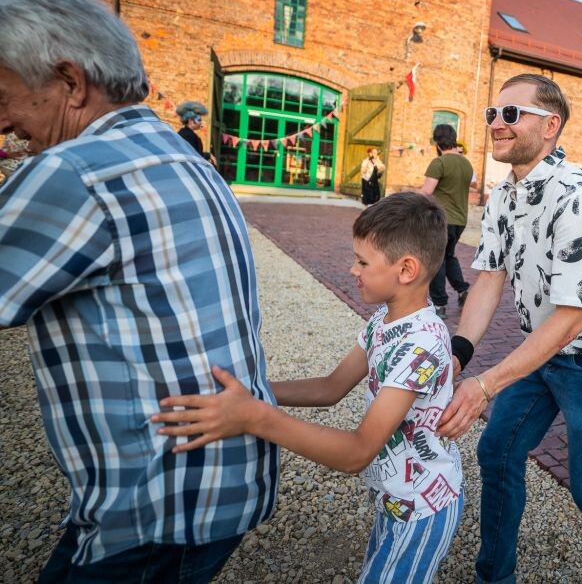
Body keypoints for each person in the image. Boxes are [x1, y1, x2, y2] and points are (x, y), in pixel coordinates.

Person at [0, 0, 278, 582]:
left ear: (71, 82)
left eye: (6, 96)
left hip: (155, 501)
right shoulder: (183, 155)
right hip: (225, 480)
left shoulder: (75, 170)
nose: (3, 122)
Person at [153, 193, 463, 583]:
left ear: (406, 269)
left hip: (422, 508)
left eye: (363, 262)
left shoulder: (423, 344)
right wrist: (256, 391)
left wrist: (255, 418)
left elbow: (357, 452)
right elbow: (331, 387)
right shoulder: (385, 319)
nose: (353, 269)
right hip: (395, 498)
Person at [435, 74, 582, 583]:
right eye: (493, 113)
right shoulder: (504, 194)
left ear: (550, 126)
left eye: (512, 113)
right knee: (497, 451)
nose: (496, 123)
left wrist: (485, 385)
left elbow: (570, 319)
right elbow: (490, 278)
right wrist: (459, 352)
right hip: (539, 348)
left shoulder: (577, 197)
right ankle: (494, 576)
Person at [420, 124, 473, 318]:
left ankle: (439, 304)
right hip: (460, 220)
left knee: (436, 260)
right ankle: (463, 290)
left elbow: (427, 191)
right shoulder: (466, 164)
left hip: (441, 219)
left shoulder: (439, 163)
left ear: (437, 142)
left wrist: (405, 200)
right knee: (448, 256)